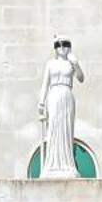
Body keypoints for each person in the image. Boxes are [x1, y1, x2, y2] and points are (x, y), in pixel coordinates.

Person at [37, 38, 85, 178]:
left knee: (66, 130)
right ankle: (52, 165)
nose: (62, 47)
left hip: (67, 95)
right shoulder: (51, 64)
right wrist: (41, 102)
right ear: (55, 48)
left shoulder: (71, 64)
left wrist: (76, 63)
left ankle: (67, 164)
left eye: (66, 44)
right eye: (58, 45)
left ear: (69, 47)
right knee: (53, 129)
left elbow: (81, 78)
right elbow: (45, 84)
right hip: (54, 96)